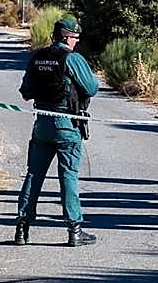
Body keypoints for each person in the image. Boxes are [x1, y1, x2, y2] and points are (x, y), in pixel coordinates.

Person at [14, 17, 100, 247]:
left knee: (33, 175)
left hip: (42, 122)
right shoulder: (72, 59)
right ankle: (75, 230)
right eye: (74, 38)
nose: (76, 42)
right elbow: (92, 87)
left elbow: (25, 92)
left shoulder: (38, 57)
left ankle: (22, 229)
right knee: (68, 176)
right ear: (65, 36)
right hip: (67, 124)